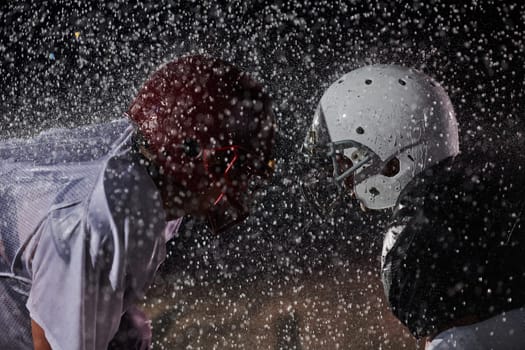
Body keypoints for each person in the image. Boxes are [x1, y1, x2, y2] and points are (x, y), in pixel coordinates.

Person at [0, 55, 276, 350]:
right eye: (230, 164)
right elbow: (49, 338)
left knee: (130, 335)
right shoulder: (103, 218)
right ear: (189, 152)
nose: (240, 181)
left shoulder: (151, 172)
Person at [301, 64, 525, 349]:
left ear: (393, 162)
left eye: (346, 161)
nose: (342, 179)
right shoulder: (483, 189)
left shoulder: (425, 238)